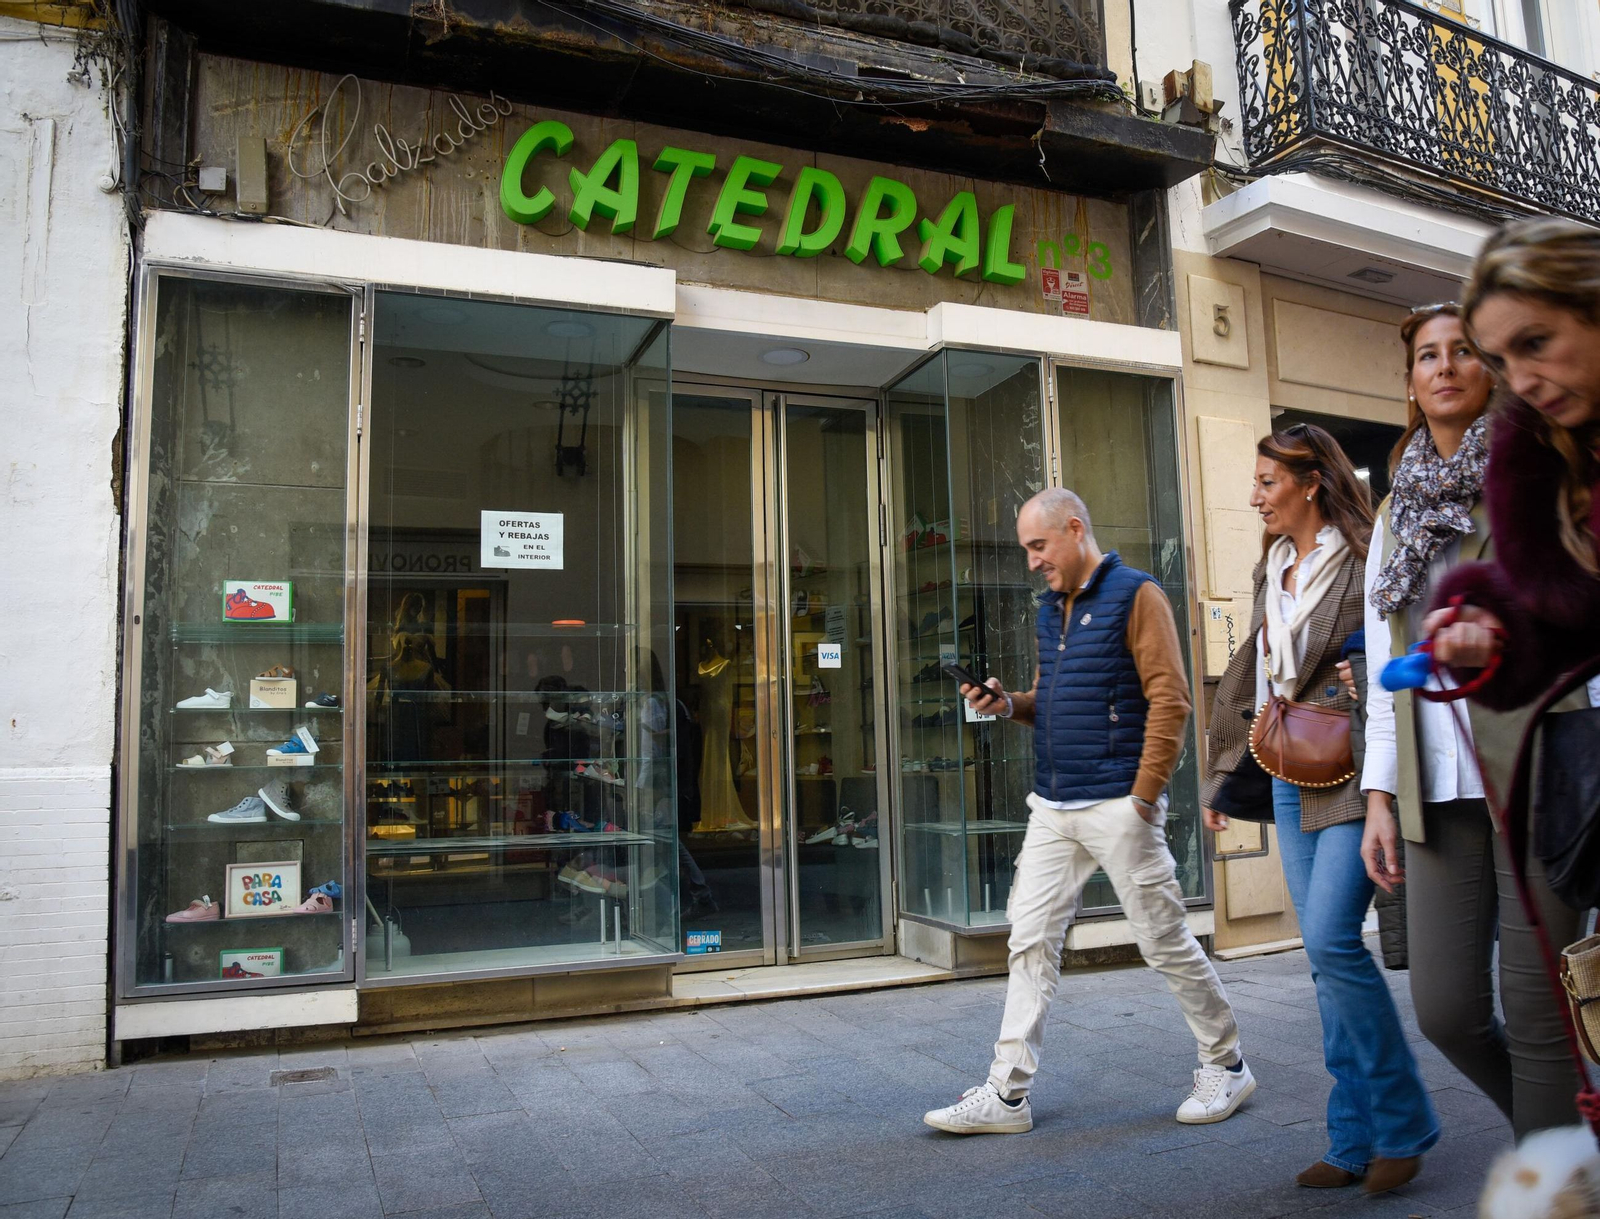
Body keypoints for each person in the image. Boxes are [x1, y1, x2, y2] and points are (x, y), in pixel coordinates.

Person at [922, 488, 1252, 1136]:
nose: (1032, 561)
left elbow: (1171, 700)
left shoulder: (1137, 595)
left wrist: (1144, 796)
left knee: (1163, 939)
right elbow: (1051, 701)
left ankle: (1228, 1064)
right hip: (1054, 803)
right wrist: (1007, 703)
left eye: (1038, 546)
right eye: (1026, 549)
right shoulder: (1051, 610)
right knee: (1028, 939)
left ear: (1075, 529)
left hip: (1118, 802)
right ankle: (1007, 1095)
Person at [1355, 302, 1588, 1140]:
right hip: (1436, 788)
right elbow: (1384, 666)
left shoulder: (1542, 481)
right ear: (1412, 382)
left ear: (1491, 371)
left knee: (1539, 1015)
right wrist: (1378, 796)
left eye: (1463, 351)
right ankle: (1567, 1147)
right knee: (1446, 1009)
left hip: (1535, 771)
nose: (1445, 366)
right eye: (1428, 355)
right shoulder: (1393, 515)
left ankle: (1556, 1173)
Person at [1203, 424, 1439, 1193]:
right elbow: (1255, 674)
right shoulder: (1273, 564)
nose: (1255, 496)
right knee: (1321, 954)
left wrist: (1362, 674)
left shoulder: (1366, 557)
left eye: (1268, 481)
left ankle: (1403, 1122)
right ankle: (1351, 1139)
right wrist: (1221, 776)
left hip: (1353, 764)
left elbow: (1394, 649)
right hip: (1288, 765)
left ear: (1310, 483)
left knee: (1335, 939)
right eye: (1256, 480)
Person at [1423, 217, 1600, 707]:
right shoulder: (1547, 461)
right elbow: (1573, 625)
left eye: (1535, 343)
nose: (1520, 382)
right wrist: (1495, 625)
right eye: (1501, 361)